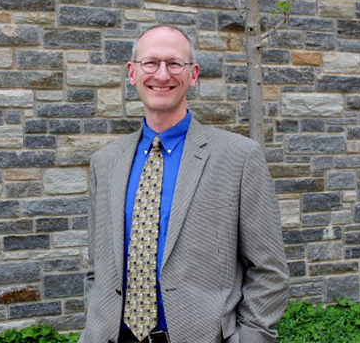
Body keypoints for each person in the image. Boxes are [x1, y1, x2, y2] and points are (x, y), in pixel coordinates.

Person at [80, 25, 289, 343]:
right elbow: (97, 266)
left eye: (174, 64)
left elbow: (269, 270)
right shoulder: (105, 162)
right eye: (150, 63)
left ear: (193, 75)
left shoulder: (239, 157)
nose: (162, 75)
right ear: (132, 72)